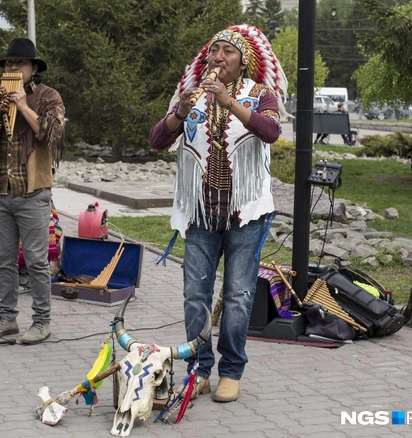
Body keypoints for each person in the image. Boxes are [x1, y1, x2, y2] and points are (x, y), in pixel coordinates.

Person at [150, 24, 288, 403]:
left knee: (238, 295)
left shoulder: (261, 95)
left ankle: (231, 370)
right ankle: (199, 369)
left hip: (246, 215)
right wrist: (178, 113)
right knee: (195, 295)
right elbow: (158, 140)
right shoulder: (190, 96)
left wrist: (229, 103)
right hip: (201, 215)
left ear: (242, 61)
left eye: (227, 52)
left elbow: (271, 132)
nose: (217, 58)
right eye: (214, 52)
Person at [0, 38, 65, 344]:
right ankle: (7, 319)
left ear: (33, 69)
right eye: (9, 64)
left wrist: (21, 104)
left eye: (19, 64)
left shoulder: (48, 96)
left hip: (32, 191)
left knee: (35, 260)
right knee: (4, 258)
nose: (12, 68)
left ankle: (42, 320)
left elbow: (53, 133)